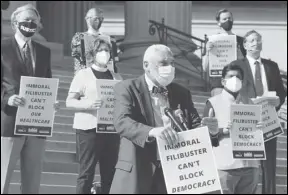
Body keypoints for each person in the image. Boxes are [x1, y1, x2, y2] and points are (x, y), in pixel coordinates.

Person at [110, 44, 219, 194]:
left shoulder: (182, 93)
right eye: (163, 63)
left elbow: (194, 128)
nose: (169, 67)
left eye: (172, 63)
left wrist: (210, 132)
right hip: (137, 171)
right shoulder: (127, 88)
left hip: (173, 174)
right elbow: (122, 122)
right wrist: (152, 131)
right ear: (146, 65)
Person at [1, 4, 59, 194]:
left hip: (36, 125)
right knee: (3, 179)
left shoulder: (44, 52)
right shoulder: (3, 48)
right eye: (26, 20)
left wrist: (51, 102)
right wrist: (7, 99)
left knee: (32, 182)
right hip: (9, 122)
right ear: (14, 23)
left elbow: (47, 82)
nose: (30, 24)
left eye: (34, 21)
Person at [231, 30, 287, 194]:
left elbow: (281, 92)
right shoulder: (236, 65)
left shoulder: (272, 66)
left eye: (259, 40)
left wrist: (277, 103)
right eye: (252, 40)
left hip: (268, 120)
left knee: (269, 165)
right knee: (247, 163)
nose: (256, 43)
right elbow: (232, 91)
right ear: (245, 45)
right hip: (246, 120)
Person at [66, 38, 122, 194]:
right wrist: (89, 104)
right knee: (86, 173)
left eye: (107, 50)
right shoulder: (83, 75)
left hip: (111, 130)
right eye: (100, 50)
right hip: (88, 129)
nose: (104, 53)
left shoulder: (117, 77)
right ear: (92, 53)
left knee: (110, 174)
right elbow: (69, 102)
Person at [203, 63, 264, 194]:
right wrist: (221, 131)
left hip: (250, 166)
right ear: (223, 81)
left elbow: (258, 134)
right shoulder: (212, 103)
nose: (235, 80)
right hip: (225, 167)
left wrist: (260, 129)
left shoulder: (251, 103)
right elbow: (204, 137)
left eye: (238, 77)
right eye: (231, 76)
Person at [203, 8, 246, 97]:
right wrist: (208, 52)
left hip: (237, 83)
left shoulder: (241, 41)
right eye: (224, 19)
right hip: (218, 84)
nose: (228, 21)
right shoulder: (211, 41)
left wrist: (238, 51)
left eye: (229, 18)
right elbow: (204, 67)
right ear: (219, 23)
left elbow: (245, 65)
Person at [71, 7, 118, 75]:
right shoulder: (79, 37)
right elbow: (78, 61)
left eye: (101, 18)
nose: (98, 21)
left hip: (106, 75)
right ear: (87, 19)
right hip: (86, 75)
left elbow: (114, 61)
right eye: (95, 18)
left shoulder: (110, 39)